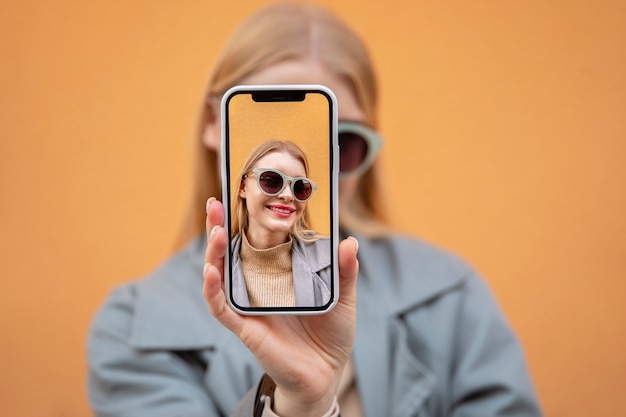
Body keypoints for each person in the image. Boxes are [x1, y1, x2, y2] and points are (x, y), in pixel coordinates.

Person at [88, 3, 543, 417]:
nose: (307, 181)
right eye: (271, 143)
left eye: (342, 143)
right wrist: (300, 407)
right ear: (214, 125)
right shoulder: (135, 329)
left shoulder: (451, 296)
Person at [229, 139, 331, 309]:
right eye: (271, 181)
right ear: (243, 187)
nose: (288, 195)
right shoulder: (213, 265)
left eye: (300, 187)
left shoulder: (334, 260)